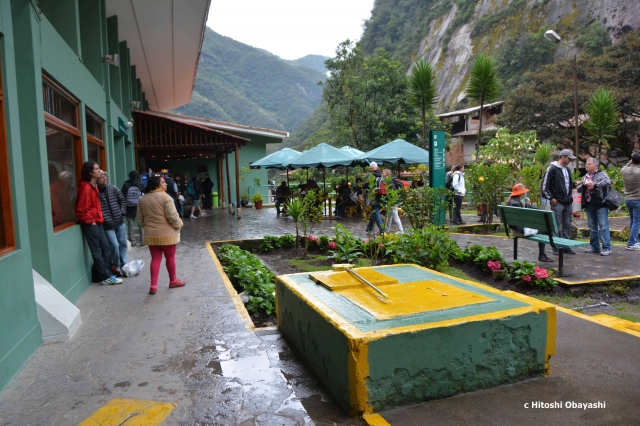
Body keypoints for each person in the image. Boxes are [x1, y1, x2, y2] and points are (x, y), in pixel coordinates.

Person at [137, 174, 185, 295]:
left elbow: (140, 218)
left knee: (155, 258)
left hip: (151, 234)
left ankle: (153, 286)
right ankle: (173, 280)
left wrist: (147, 227)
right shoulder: (166, 197)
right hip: (167, 234)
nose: (166, 184)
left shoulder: (143, 198)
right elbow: (173, 216)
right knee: (170, 257)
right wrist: (179, 224)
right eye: (163, 182)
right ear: (158, 184)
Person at [76, 161, 122, 285]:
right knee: (97, 251)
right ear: (90, 172)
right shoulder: (86, 188)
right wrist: (90, 222)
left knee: (106, 249)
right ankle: (105, 277)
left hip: (98, 222)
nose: (99, 170)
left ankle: (105, 274)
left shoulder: (92, 187)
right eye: (96, 169)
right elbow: (81, 210)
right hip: (92, 224)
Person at [505, 183, 554, 263]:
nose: (524, 194)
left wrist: (527, 205)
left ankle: (543, 254)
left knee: (542, 229)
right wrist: (528, 204)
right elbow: (527, 216)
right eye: (523, 193)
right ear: (520, 194)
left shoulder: (510, 203)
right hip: (520, 231)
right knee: (544, 229)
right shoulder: (517, 205)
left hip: (514, 230)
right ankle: (542, 255)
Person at [542, 149, 577, 255]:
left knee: (567, 225)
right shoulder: (552, 169)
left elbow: (567, 185)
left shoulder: (567, 169)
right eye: (569, 158)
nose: (570, 160)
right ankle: (556, 246)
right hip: (557, 202)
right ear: (563, 157)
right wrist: (551, 198)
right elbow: (544, 186)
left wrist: (575, 184)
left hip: (567, 201)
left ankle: (565, 245)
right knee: (556, 225)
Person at [577, 158, 612, 256]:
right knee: (592, 227)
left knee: (603, 226)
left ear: (595, 166)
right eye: (586, 163)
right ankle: (595, 246)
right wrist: (584, 185)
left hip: (600, 204)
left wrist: (595, 185)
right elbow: (579, 189)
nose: (586, 165)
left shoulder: (601, 174)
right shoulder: (585, 176)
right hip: (589, 204)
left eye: (589, 164)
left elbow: (607, 181)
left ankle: (606, 247)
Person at [97, 171, 128, 276]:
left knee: (123, 243)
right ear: (96, 178)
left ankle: (124, 264)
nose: (104, 178)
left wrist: (122, 212)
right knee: (114, 245)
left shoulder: (113, 188)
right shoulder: (95, 192)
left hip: (119, 221)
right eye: (101, 176)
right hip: (107, 224)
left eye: (105, 176)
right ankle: (117, 265)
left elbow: (122, 200)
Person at [121, 171, 146, 246]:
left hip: (129, 207)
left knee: (130, 225)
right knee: (141, 224)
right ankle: (143, 241)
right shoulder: (140, 184)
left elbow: (122, 196)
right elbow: (145, 194)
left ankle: (133, 241)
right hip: (139, 207)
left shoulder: (126, 184)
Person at [622, 152, 640, 250]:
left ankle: (634, 241)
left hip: (628, 199)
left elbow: (626, 166)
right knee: (637, 222)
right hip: (637, 200)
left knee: (633, 221)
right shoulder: (638, 172)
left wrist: (631, 161)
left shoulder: (624, 170)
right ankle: (632, 243)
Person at [365, 162, 385, 235]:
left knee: (376, 212)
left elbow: (364, 186)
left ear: (371, 168)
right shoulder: (381, 175)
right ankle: (369, 228)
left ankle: (382, 230)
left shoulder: (370, 176)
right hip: (382, 196)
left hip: (373, 196)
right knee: (374, 212)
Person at [383, 169, 404, 234]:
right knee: (389, 216)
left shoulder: (389, 181)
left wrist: (390, 198)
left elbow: (393, 190)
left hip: (393, 200)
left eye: (383, 173)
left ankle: (401, 231)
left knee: (395, 216)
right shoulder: (390, 180)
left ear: (387, 174)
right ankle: (386, 230)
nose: (382, 174)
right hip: (393, 200)